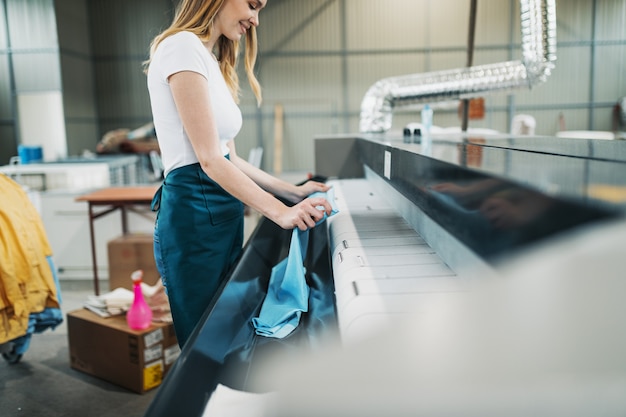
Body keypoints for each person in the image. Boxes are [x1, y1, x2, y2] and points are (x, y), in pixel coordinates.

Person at [144, 0, 332, 347]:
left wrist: (291, 192)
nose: (255, 20)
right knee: (204, 341)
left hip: (221, 211)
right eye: (252, 5)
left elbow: (231, 158)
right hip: (195, 214)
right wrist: (280, 211)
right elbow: (210, 161)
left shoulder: (211, 60)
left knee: (223, 330)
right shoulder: (181, 48)